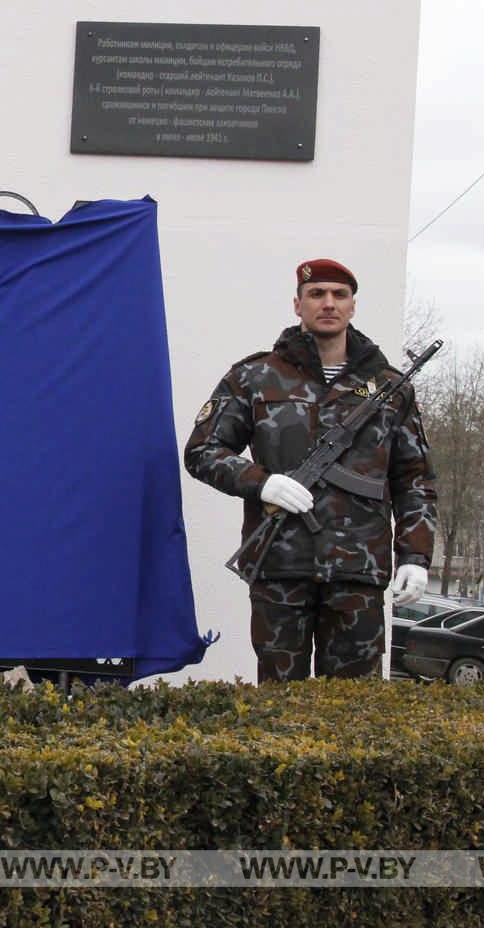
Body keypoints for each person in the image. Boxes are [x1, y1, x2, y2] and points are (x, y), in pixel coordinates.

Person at [183, 258, 435, 681]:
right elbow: (203, 451)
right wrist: (262, 484)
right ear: (297, 304)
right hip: (281, 564)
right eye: (316, 294)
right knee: (279, 703)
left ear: (353, 306)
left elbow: (415, 478)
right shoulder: (254, 377)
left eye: (340, 295)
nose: (329, 303)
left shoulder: (390, 387)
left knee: (354, 711)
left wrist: (416, 555)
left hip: (359, 570)